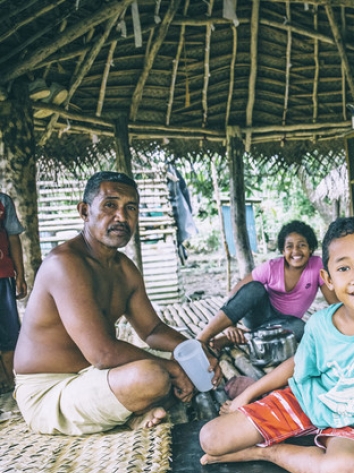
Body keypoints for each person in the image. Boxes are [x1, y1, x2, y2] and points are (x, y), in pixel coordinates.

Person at [199, 215, 354, 473]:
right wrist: (247, 396)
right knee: (211, 439)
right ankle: (284, 436)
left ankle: (268, 452)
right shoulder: (321, 323)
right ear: (327, 278)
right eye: (344, 269)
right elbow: (298, 365)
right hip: (307, 402)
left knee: (342, 472)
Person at [13, 171, 221, 435]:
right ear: (85, 211)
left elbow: (152, 330)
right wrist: (172, 369)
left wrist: (196, 351)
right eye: (110, 205)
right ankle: (132, 411)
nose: (121, 217)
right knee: (154, 376)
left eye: (130, 207)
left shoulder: (124, 269)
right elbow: (102, 353)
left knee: (185, 365)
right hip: (50, 391)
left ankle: (130, 414)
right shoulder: (64, 264)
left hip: (93, 376)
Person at [197, 220, 337, 349]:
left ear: (311, 248)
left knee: (300, 328)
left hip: (285, 323)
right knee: (254, 288)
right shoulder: (271, 267)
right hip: (258, 316)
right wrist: (230, 327)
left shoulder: (317, 265)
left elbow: (333, 303)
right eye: (289, 246)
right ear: (283, 251)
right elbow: (236, 291)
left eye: (302, 245)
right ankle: (202, 339)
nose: (296, 251)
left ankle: (246, 336)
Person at [0, 191, 26, 393]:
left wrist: (20, 275)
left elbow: (13, 238)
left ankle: (11, 384)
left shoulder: (3, 201)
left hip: (2, 275)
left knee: (9, 333)